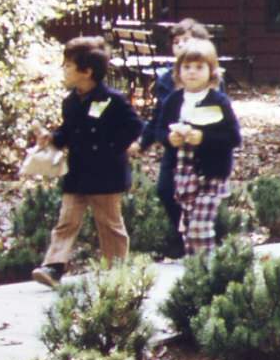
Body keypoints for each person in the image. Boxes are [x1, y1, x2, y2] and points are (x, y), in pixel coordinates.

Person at [32, 37, 143, 287]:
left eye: (68, 66)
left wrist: (112, 149)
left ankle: (116, 271)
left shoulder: (112, 100)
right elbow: (68, 132)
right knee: (66, 220)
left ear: (87, 71)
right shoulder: (70, 102)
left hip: (106, 175)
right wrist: (52, 138)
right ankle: (54, 266)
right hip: (78, 173)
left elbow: (135, 126)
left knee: (109, 224)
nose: (64, 70)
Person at [159, 39, 241, 255]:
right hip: (183, 171)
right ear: (177, 71)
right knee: (187, 224)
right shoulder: (173, 100)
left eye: (199, 67)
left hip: (212, 172)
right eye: (186, 67)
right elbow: (160, 131)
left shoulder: (218, 101)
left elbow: (233, 137)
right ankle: (194, 269)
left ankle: (208, 269)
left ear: (211, 71)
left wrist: (203, 138)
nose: (192, 73)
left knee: (199, 227)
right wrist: (170, 140)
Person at [139, 18, 213, 257]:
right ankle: (181, 234)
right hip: (174, 147)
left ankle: (201, 241)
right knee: (164, 190)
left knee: (199, 196)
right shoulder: (165, 80)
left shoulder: (209, 77)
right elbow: (158, 116)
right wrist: (145, 141)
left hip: (201, 149)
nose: (180, 46)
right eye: (176, 42)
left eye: (186, 40)